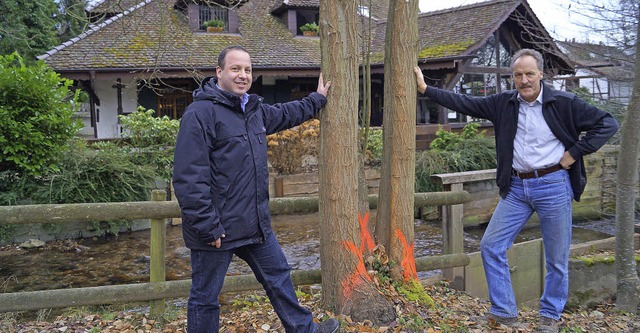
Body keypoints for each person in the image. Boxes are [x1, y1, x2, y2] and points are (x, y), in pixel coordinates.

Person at [414, 48, 618, 333]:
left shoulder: (564, 102)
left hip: (553, 185)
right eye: (518, 75)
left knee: (556, 257)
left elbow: (608, 123)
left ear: (541, 75)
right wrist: (426, 89)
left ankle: (550, 316)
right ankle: (505, 311)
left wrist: (575, 152)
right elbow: (465, 102)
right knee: (491, 245)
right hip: (517, 187)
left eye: (529, 74)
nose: (524, 80)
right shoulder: (504, 103)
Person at [173, 45, 338, 333]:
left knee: (278, 276)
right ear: (219, 72)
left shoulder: (252, 110)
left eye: (247, 70)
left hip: (253, 224)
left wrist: (317, 100)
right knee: (205, 298)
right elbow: (189, 177)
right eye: (235, 69)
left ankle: (304, 330)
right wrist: (207, 226)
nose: (242, 75)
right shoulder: (199, 114)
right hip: (217, 230)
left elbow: (286, 113)